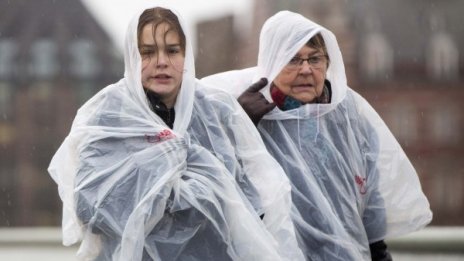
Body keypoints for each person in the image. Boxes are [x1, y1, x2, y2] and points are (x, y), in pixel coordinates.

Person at [48, 4, 306, 261]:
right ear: (132, 57)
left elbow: (248, 204)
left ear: (186, 55)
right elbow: (90, 206)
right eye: (147, 52)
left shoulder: (215, 111)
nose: (161, 62)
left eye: (172, 51)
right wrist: (175, 189)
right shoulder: (110, 115)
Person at [201, 10, 433, 260]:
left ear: (327, 64)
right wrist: (238, 127)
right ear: (270, 64)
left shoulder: (349, 119)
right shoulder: (250, 116)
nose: (305, 70)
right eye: (292, 59)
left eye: (315, 59)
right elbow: (220, 198)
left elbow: (370, 201)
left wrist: (378, 253)